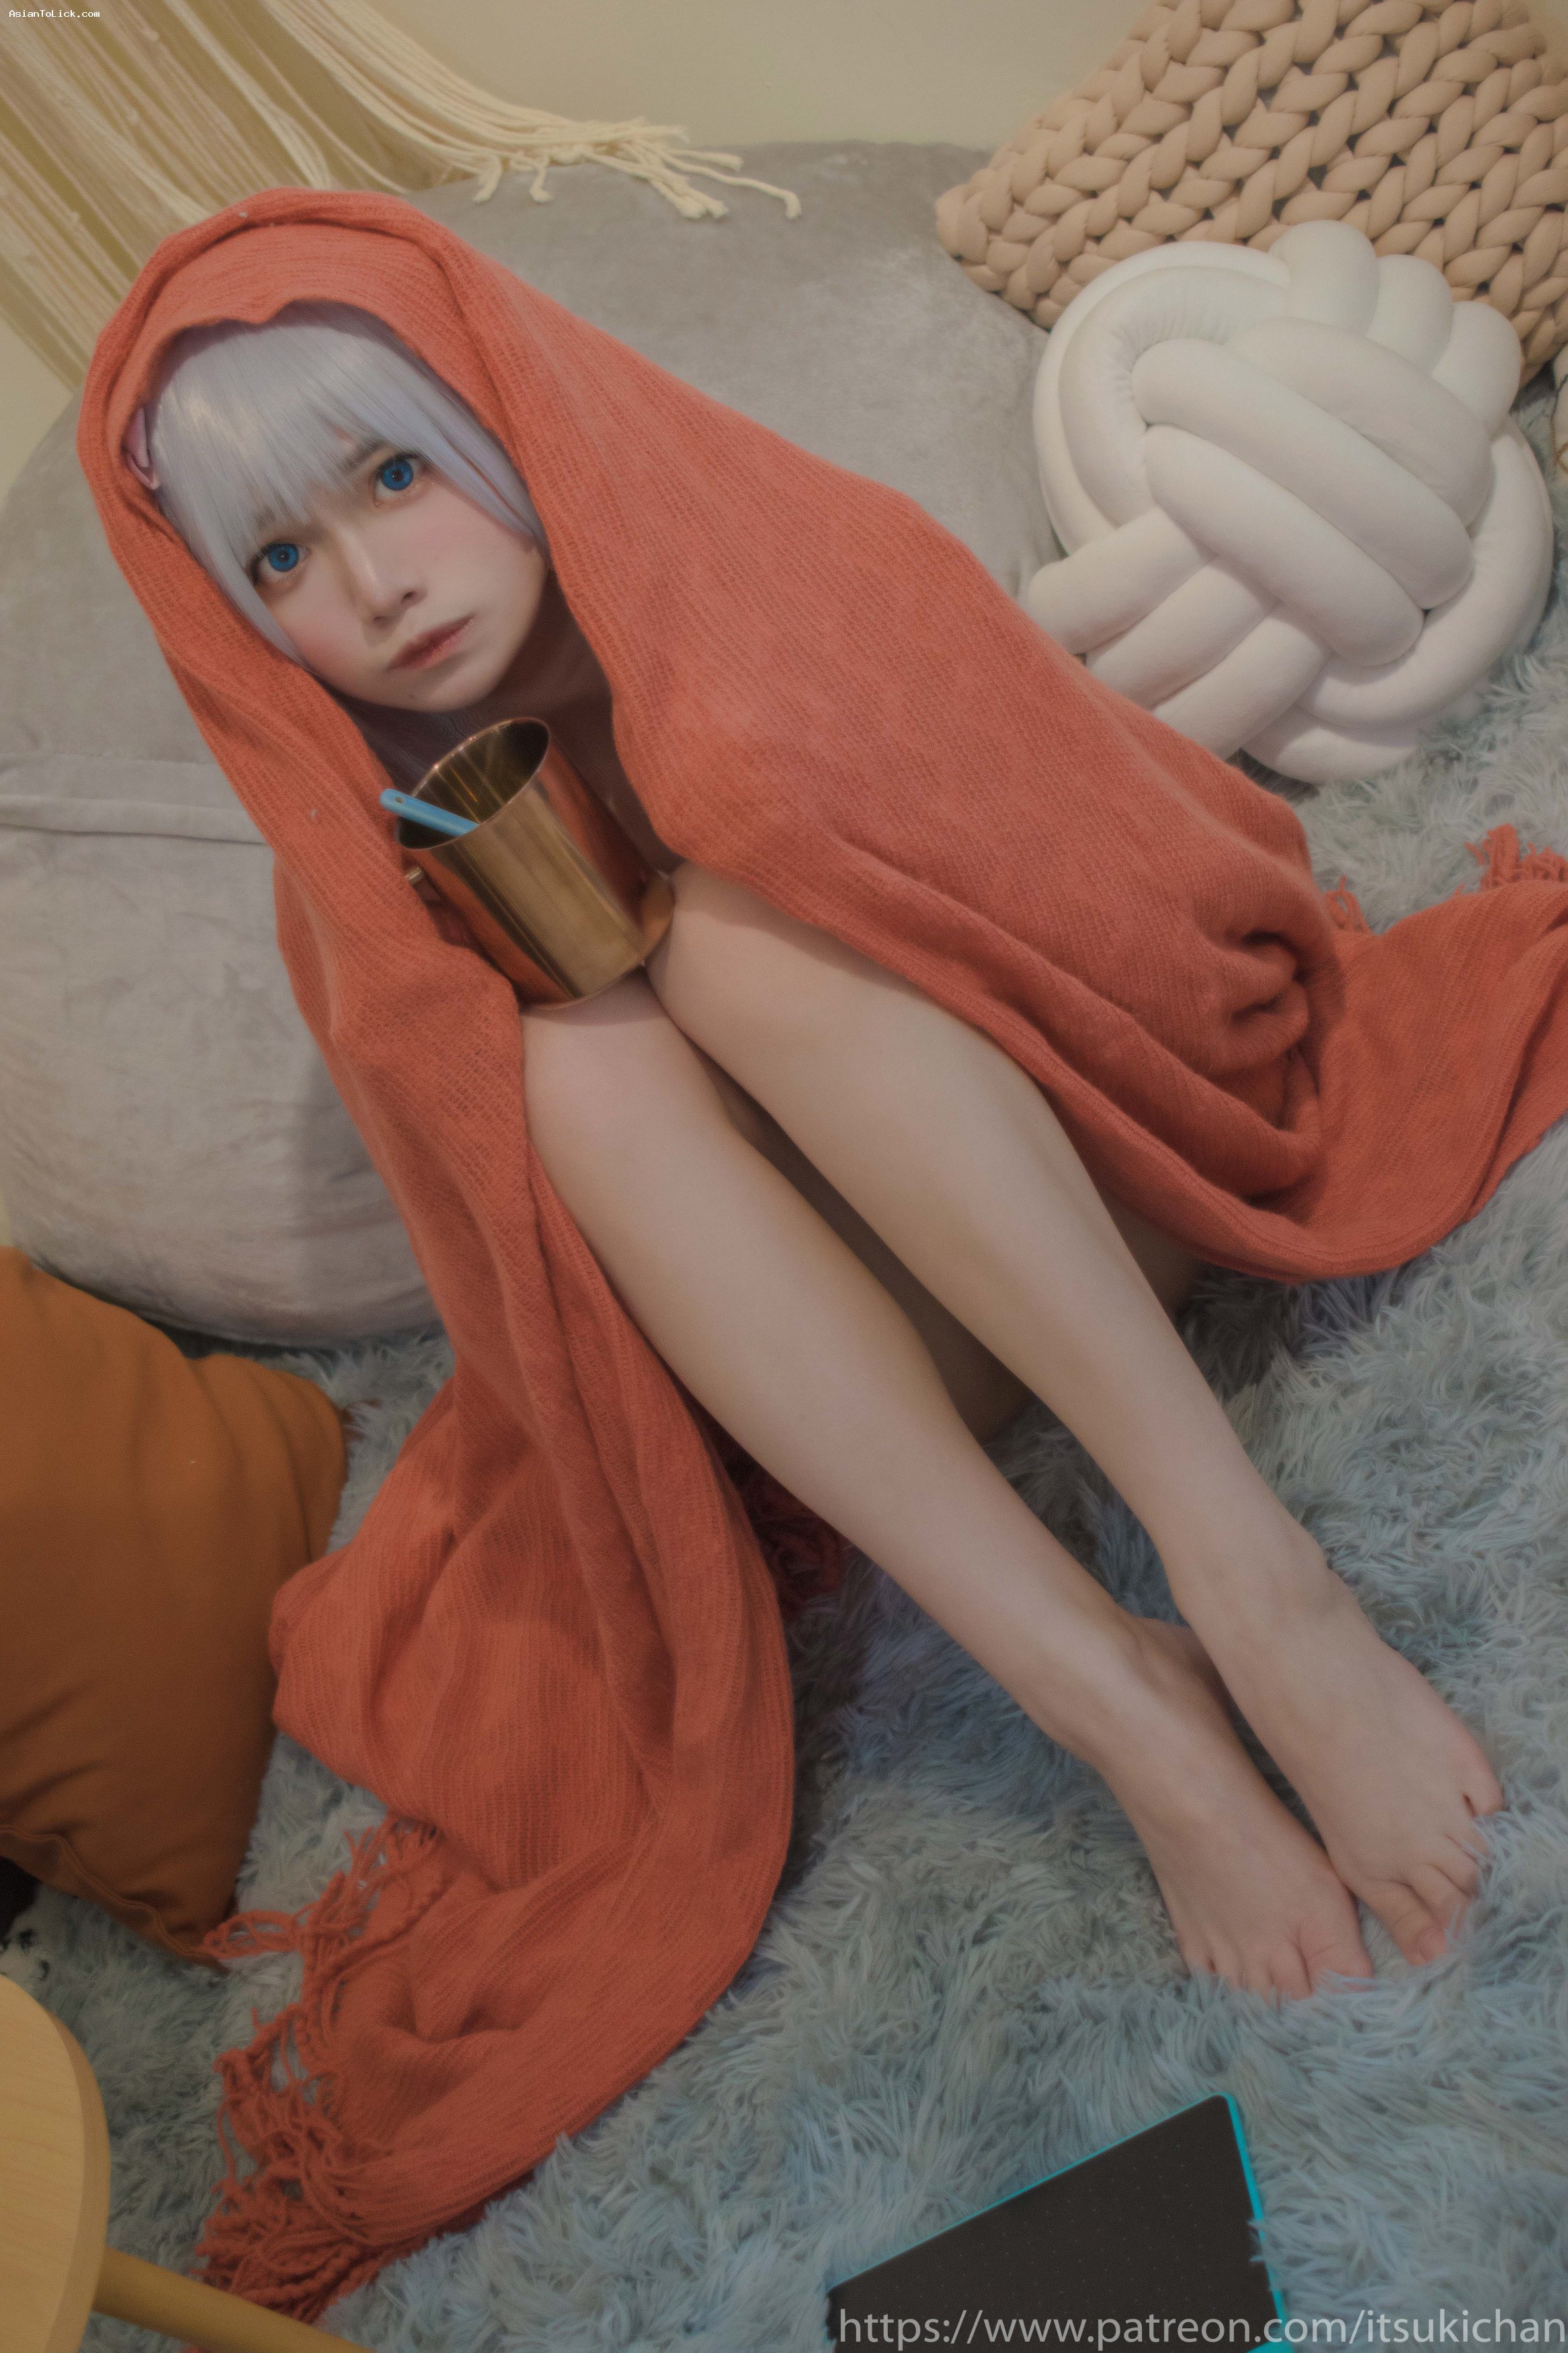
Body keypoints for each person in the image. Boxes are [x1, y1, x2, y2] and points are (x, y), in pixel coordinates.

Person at [134, 296, 1498, 2008]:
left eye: (396, 475)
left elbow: (1123, 882)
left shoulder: (782, 555)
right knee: (576, 1070)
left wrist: (742, 839)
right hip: (874, 1380)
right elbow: (522, 1272)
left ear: (501, 420)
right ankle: (1115, 1699)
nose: (376, 583)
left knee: (731, 935)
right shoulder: (351, 864)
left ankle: (1260, 1583)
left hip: (1107, 1168)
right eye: (279, 559)